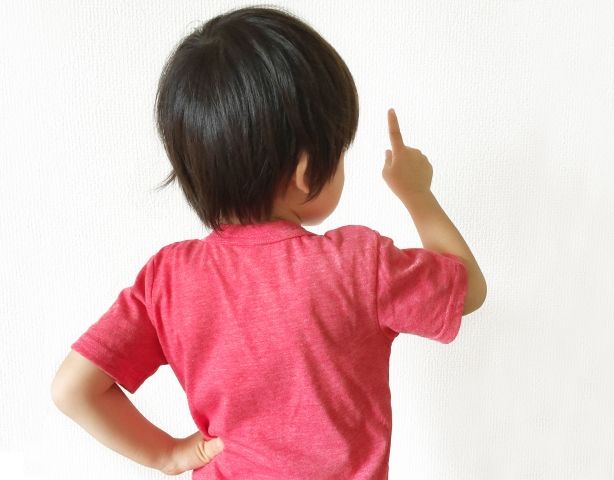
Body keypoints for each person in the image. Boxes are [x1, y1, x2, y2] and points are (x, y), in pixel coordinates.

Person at [50, 5, 487, 479]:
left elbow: (73, 389)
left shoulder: (168, 279)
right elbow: (467, 290)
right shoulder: (359, 265)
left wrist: (168, 455)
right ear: (306, 171)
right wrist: (416, 193)